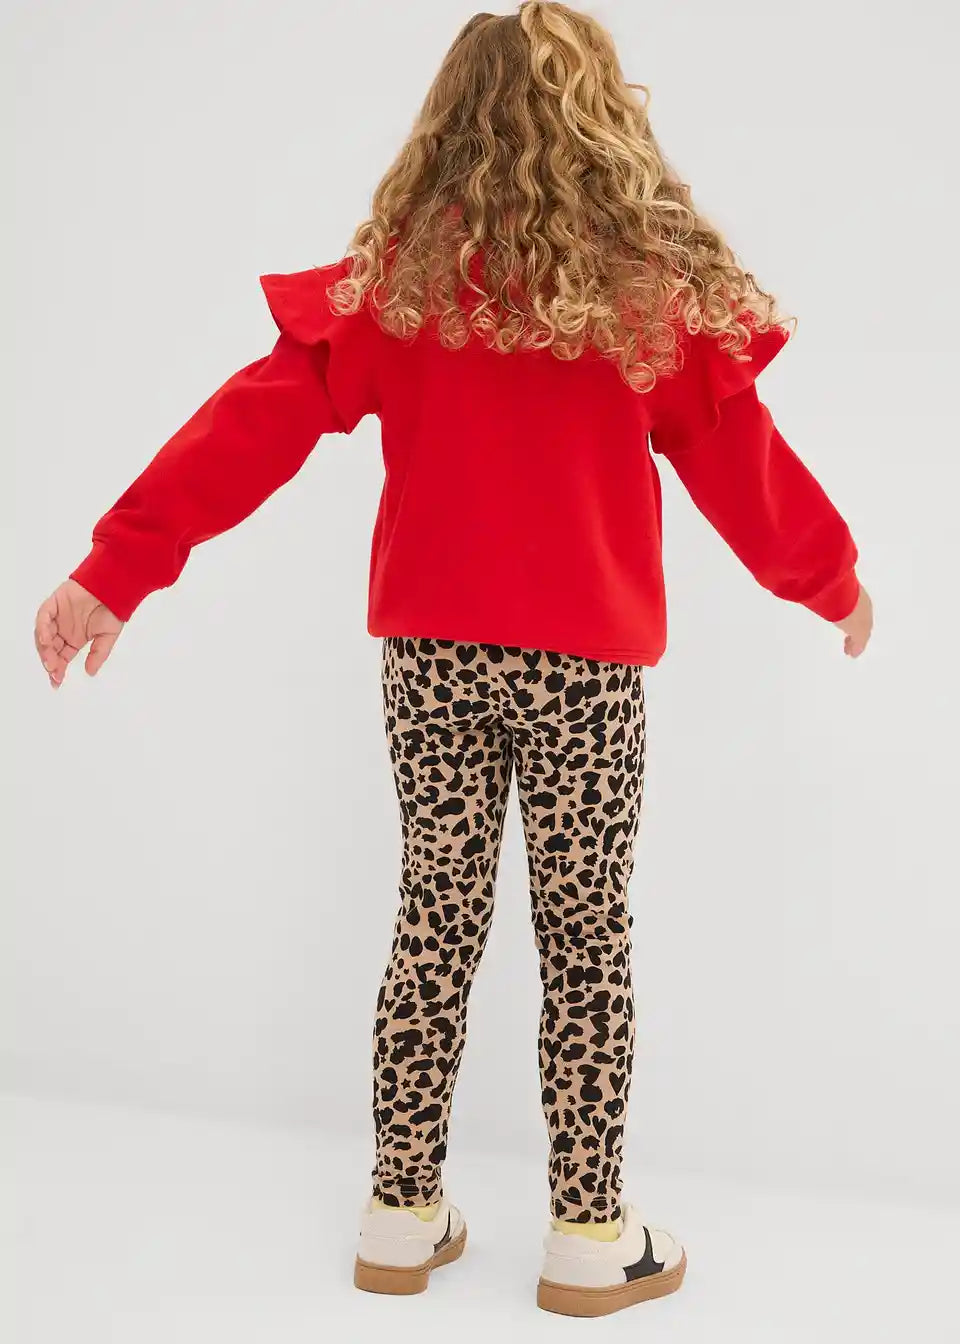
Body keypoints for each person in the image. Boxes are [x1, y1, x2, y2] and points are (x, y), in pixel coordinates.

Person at [32, 1, 872, 1319]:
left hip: (432, 660)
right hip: (584, 673)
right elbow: (742, 465)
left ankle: (400, 1209)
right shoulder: (642, 301)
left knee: (435, 915)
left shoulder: (406, 289)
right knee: (586, 939)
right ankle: (589, 1233)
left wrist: (114, 569)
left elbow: (247, 428)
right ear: (599, 122)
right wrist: (833, 580)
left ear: (449, 123)